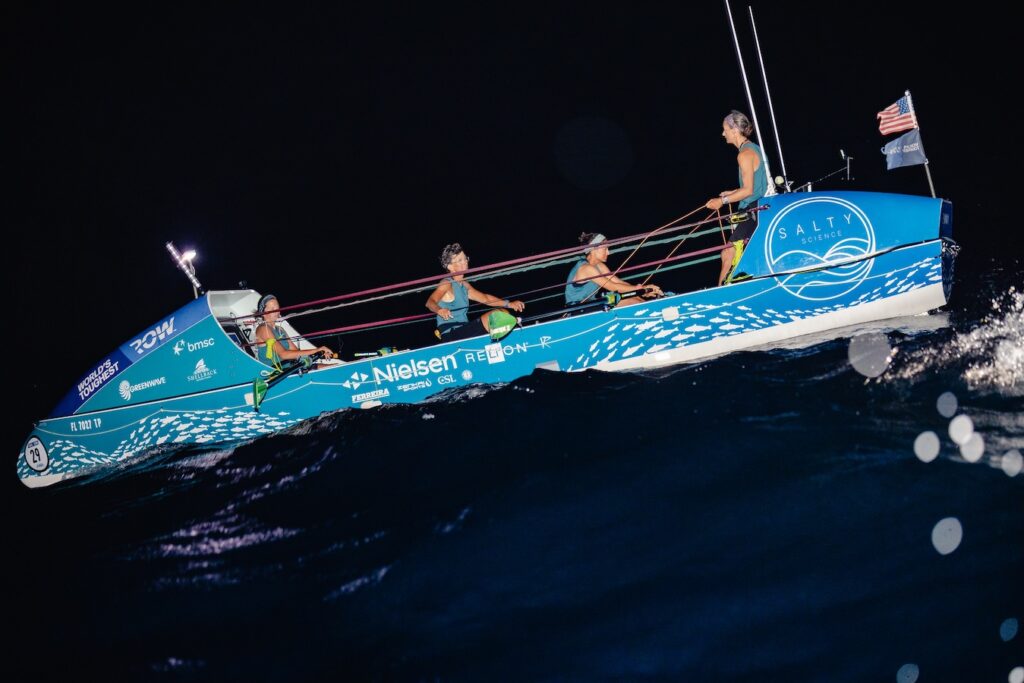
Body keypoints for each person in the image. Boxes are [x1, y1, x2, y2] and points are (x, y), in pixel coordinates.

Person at [705, 110, 768, 286]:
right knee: (734, 253)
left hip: (753, 209)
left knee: (728, 253)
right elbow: (756, 184)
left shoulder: (744, 154)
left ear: (734, 131)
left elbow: (748, 190)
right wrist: (732, 193)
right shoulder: (754, 148)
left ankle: (722, 297)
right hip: (759, 206)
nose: (723, 133)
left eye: (725, 129)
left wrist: (721, 201)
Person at [425, 243, 525, 342]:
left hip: (464, 328)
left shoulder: (464, 285)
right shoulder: (447, 283)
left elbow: (486, 299)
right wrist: (439, 310)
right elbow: (430, 302)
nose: (464, 262)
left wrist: (509, 304)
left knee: (504, 312)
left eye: (465, 258)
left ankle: (495, 343)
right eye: (460, 260)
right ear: (450, 266)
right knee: (496, 315)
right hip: (451, 333)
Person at [565, 233, 663, 307]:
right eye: (605, 249)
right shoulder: (585, 268)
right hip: (578, 307)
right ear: (593, 249)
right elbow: (612, 286)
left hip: (593, 302)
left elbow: (618, 282)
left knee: (634, 297)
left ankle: (652, 308)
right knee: (631, 301)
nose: (608, 253)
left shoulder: (600, 266)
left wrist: (641, 291)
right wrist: (642, 289)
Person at [252, 294, 337, 371]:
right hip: (276, 373)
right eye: (272, 309)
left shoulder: (280, 329)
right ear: (263, 313)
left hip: (290, 367)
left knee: (333, 367)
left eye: (277, 308)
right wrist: (317, 350)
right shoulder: (263, 329)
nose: (276, 311)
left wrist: (318, 354)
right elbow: (283, 354)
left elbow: (295, 351)